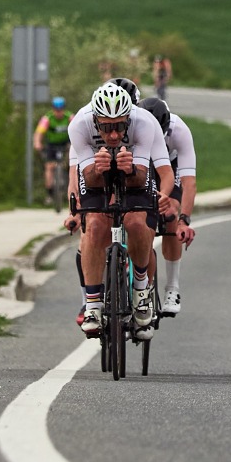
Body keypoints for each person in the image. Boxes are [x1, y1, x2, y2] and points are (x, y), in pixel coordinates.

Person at [68, 81, 175, 339]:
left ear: (129, 117)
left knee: (137, 222)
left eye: (119, 126)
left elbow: (145, 177)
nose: (114, 135)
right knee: (94, 226)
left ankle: (140, 291)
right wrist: (97, 169)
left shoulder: (144, 123)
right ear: (95, 120)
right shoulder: (79, 124)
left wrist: (128, 169)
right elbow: (87, 179)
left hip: (136, 171)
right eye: (106, 127)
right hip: (97, 170)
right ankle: (93, 305)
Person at [141, 96, 197, 315]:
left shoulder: (179, 130)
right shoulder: (135, 124)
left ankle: (172, 288)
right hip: (144, 164)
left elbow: (188, 182)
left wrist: (184, 220)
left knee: (170, 213)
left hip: (170, 167)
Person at [33, 95, 71, 199]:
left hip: (66, 143)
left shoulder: (69, 117)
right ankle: (49, 192)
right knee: (49, 166)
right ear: (53, 109)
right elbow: (39, 133)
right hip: (52, 144)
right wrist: (37, 143)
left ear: (64, 108)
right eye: (56, 110)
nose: (58, 112)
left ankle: (71, 186)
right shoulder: (47, 119)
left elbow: (78, 129)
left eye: (60, 110)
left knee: (72, 163)